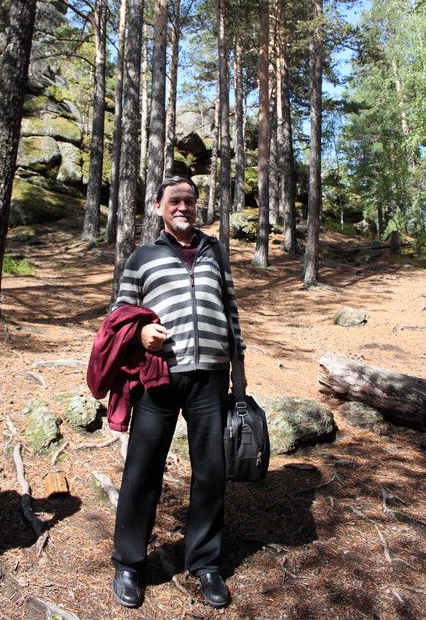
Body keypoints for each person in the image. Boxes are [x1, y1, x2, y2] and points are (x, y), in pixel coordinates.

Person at [109, 175, 246, 609]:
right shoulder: (142, 257)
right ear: (158, 207)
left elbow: (230, 309)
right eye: (174, 201)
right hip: (160, 377)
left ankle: (205, 563)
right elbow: (119, 312)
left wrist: (239, 373)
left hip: (211, 377)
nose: (183, 207)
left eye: (189, 200)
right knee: (143, 469)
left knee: (210, 471)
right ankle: (129, 564)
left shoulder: (215, 251)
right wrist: (141, 333)